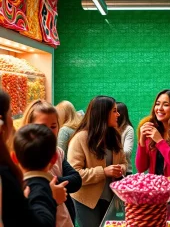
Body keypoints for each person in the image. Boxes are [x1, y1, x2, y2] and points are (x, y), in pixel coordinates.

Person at [68, 96, 127, 227]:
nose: (118, 114)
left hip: (111, 198)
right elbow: (74, 175)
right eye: (114, 111)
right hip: (86, 200)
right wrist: (104, 172)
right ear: (102, 113)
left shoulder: (115, 136)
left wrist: (121, 168)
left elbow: (124, 162)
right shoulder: (80, 139)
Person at [0, 90, 56, 227]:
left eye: (53, 126)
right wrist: (50, 197)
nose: (12, 120)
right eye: (10, 114)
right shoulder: (5, 175)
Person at [22, 100, 82, 227]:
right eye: (42, 127)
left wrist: (49, 183)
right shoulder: (24, 155)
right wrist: (49, 190)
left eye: (53, 127)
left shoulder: (57, 152)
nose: (49, 132)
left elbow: (76, 179)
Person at [117, 102, 134, 175]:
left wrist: (111, 154)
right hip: (109, 170)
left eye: (115, 111)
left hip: (125, 171)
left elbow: (127, 152)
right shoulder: (107, 128)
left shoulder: (128, 129)